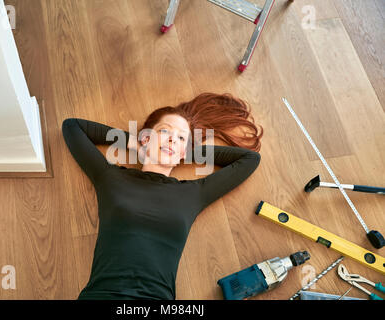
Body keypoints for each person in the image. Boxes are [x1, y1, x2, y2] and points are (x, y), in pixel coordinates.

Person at [62, 92, 263, 300]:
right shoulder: (111, 178)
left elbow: (250, 159)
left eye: (181, 137)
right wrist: (136, 144)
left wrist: (180, 152)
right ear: (146, 137)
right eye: (164, 131)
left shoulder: (193, 193)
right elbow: (72, 127)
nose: (171, 139)